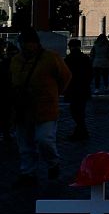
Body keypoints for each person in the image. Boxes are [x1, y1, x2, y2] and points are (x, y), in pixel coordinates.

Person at [10, 28, 72, 187]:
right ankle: (28, 173)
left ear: (36, 44)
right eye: (25, 44)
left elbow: (65, 76)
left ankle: (53, 162)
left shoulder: (51, 58)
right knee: (25, 144)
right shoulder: (16, 60)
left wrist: (54, 94)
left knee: (44, 139)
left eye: (30, 44)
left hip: (45, 108)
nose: (27, 47)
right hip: (22, 109)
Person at [63, 39, 92, 141]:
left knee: (75, 111)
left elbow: (65, 74)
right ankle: (81, 131)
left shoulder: (68, 59)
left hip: (73, 89)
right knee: (80, 111)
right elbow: (90, 74)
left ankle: (81, 131)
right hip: (83, 88)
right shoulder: (85, 58)